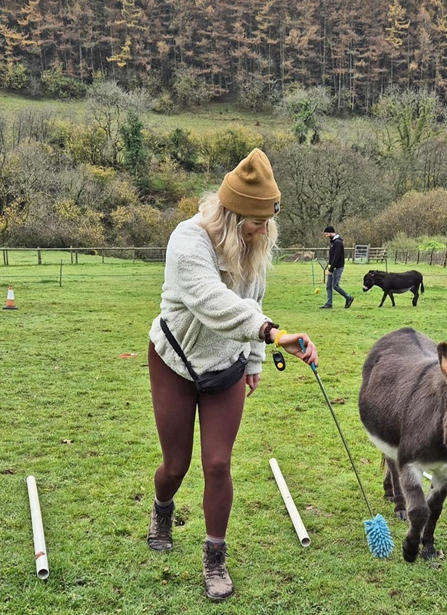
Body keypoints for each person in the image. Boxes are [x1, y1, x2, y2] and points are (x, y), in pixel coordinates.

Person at [147, 149, 319, 601]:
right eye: (256, 222)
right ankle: (162, 508)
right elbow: (211, 300)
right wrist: (272, 333)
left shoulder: (255, 248)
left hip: (227, 366)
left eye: (268, 222)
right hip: (175, 361)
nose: (264, 230)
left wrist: (256, 360)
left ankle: (215, 557)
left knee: (218, 464)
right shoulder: (188, 240)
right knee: (176, 465)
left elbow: (253, 303)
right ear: (231, 216)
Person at [321, 225, 353, 309]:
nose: (326, 236)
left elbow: (337, 256)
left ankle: (348, 297)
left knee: (335, 286)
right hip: (332, 267)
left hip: (338, 267)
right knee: (328, 286)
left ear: (331, 232)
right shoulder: (333, 242)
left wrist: (331, 269)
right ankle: (329, 303)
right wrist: (330, 267)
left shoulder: (338, 242)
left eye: (326, 234)